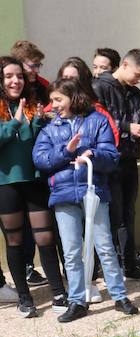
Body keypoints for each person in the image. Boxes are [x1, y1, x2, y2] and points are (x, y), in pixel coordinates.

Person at [33, 78, 140, 323]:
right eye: (52, 100)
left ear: (73, 97)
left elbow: (111, 155)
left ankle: (119, 296)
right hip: (63, 194)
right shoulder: (50, 128)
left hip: (93, 191)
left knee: (104, 245)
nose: (53, 105)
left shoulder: (98, 120)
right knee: (71, 251)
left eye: (58, 99)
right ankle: (78, 301)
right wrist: (67, 151)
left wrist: (92, 153)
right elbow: (40, 159)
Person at [0, 57, 67, 318]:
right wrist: (15, 123)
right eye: (8, 76)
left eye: (18, 75)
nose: (15, 80)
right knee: (15, 241)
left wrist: (38, 122)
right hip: (6, 184)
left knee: (45, 237)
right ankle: (25, 298)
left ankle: (59, 292)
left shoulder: (31, 106)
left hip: (35, 181)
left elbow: (38, 144)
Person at [93, 48, 140, 281]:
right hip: (108, 162)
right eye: (137, 75)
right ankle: (109, 269)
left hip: (130, 159)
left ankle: (129, 265)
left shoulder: (137, 94)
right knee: (112, 216)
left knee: (128, 214)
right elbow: (96, 121)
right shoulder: (99, 87)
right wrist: (126, 127)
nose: (139, 80)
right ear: (125, 65)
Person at [10, 40, 50, 287]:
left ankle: (36, 268)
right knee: (18, 227)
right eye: (32, 65)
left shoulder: (42, 86)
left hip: (38, 162)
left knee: (39, 223)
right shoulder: (9, 92)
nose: (36, 70)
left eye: (38, 65)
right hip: (13, 168)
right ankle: (24, 268)